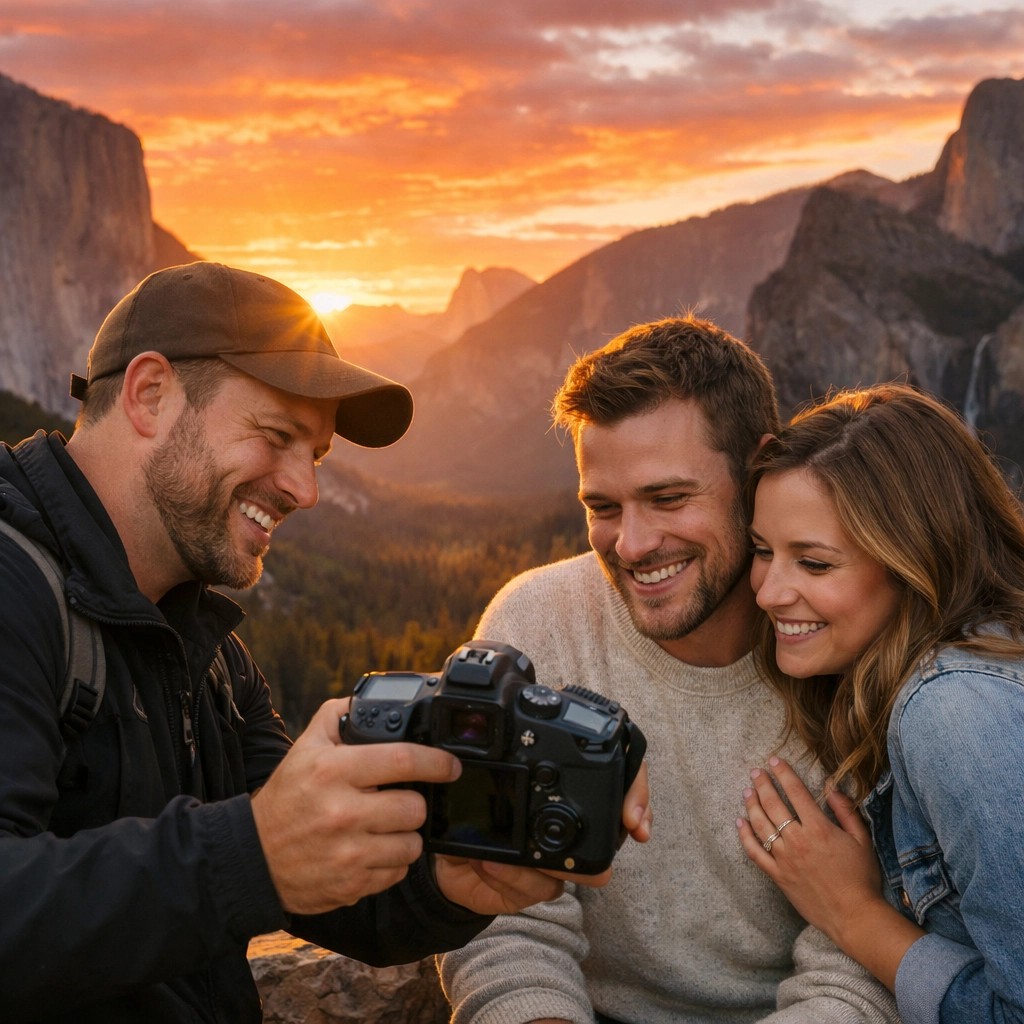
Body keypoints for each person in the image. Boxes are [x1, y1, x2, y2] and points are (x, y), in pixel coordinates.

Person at [0, 263, 648, 1024]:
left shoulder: (207, 650)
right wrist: (251, 853)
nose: (303, 489)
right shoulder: (17, 588)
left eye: (315, 456)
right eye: (277, 438)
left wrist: (449, 882)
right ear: (149, 394)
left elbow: (329, 886)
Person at [439, 318, 899, 1024]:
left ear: (757, 469)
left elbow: (861, 961)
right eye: (602, 507)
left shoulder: (852, 645)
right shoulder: (536, 625)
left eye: (668, 498)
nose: (632, 544)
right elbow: (504, 918)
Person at [738, 384, 1024, 1023]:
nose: (767, 593)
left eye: (813, 563)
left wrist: (852, 911)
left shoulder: (954, 715)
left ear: (913, 560)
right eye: (762, 551)